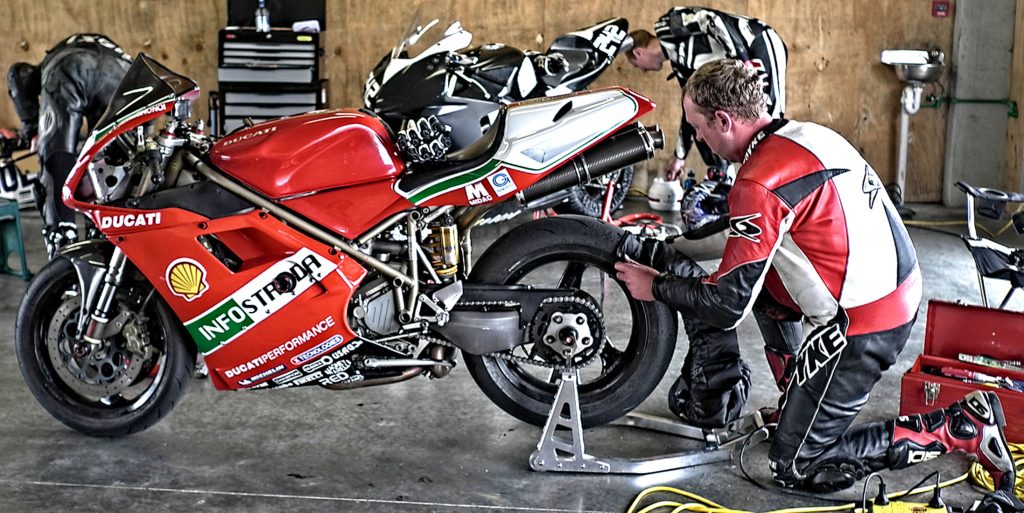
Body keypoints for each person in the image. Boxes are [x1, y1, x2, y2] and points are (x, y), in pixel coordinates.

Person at [614, 59, 1017, 495]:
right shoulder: (803, 135)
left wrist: (656, 286)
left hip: (866, 321)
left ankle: (961, 426)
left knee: (797, 465)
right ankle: (798, 398)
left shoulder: (758, 181)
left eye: (697, 128)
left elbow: (728, 306)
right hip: (892, 283)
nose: (697, 139)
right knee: (756, 275)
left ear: (724, 121)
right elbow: (743, 244)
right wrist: (674, 250)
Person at [624, 7, 787, 233]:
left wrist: (741, 61)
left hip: (756, 44)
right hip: (739, 63)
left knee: (768, 117)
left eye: (636, 66)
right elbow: (690, 114)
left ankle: (777, 196)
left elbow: (710, 19)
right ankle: (730, 185)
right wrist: (679, 157)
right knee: (705, 117)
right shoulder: (680, 65)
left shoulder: (666, 26)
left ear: (638, 53)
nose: (642, 71)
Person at [7, 33, 132, 258]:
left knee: (57, 160)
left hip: (70, 67)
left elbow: (19, 75)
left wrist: (32, 129)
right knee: (114, 166)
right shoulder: (110, 48)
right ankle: (107, 243)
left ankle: (63, 244)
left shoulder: (56, 56)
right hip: (123, 74)